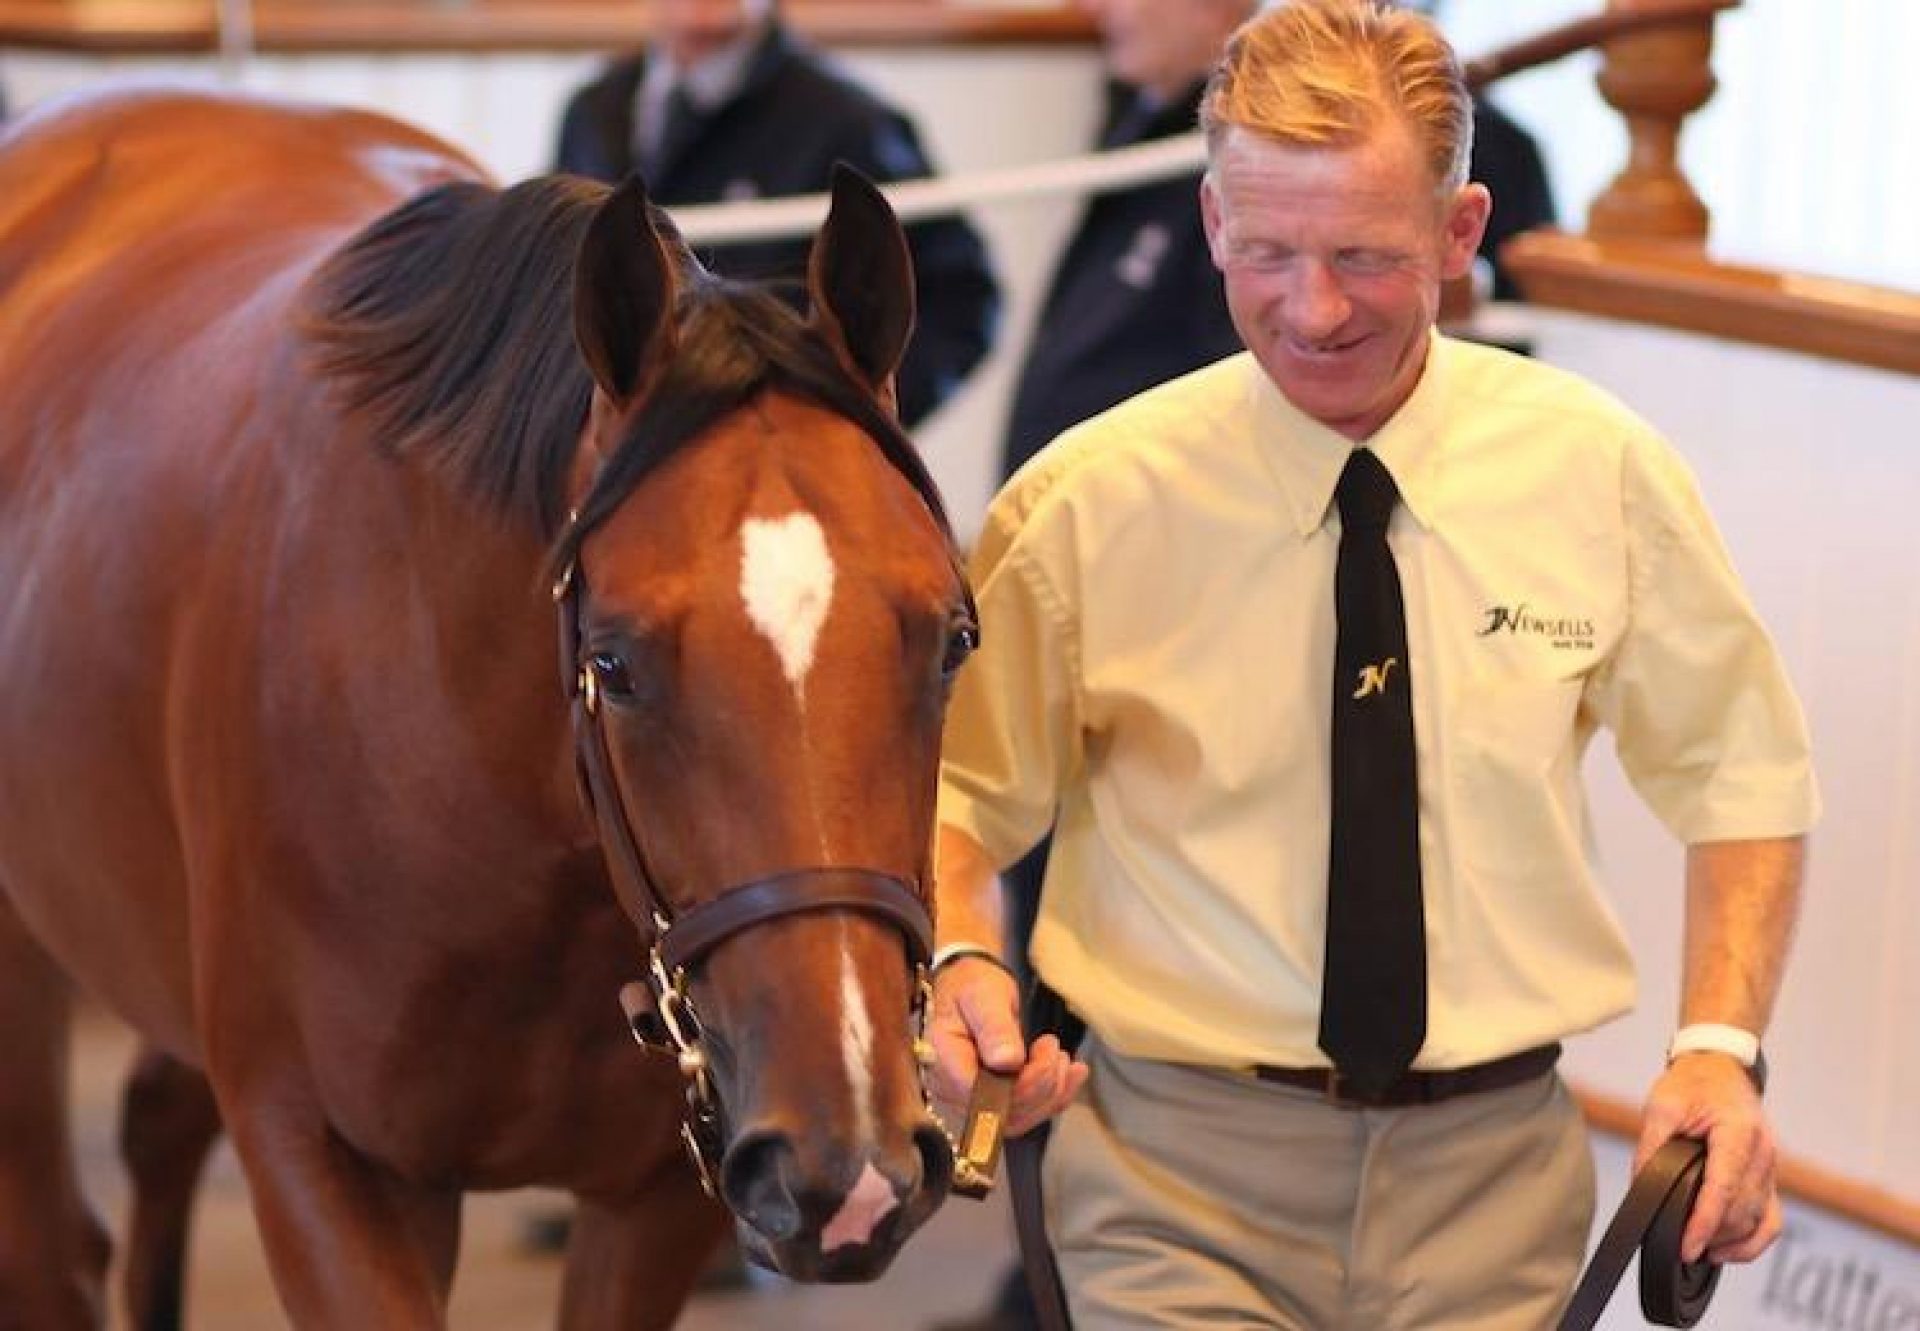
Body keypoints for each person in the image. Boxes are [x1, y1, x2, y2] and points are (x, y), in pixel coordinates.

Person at [926, 2, 1817, 1328]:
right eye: (1269, 250)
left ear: (1461, 232)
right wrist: (960, 962)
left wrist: (1719, 1049)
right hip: (1174, 1176)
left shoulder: (1600, 472)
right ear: (1216, 222)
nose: (1314, 306)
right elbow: (960, 800)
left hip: (1495, 1178)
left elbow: (1740, 770)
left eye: (1365, 254)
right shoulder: (1079, 507)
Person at [554, 0, 999, 429]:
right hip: (624, 475)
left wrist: (848, 420)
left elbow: (959, 297)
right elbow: (561, 294)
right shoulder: (593, 114)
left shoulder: (847, 123)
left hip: (773, 473)